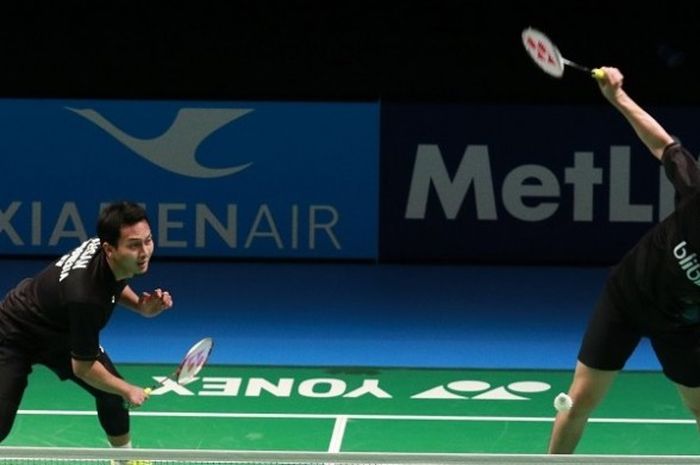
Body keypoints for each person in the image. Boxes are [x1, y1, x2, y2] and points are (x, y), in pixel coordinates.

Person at [548, 67, 700, 453]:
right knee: (579, 401)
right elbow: (662, 144)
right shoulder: (695, 191)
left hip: (681, 324)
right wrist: (617, 96)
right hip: (627, 299)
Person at [0, 201, 173, 453]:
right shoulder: (85, 297)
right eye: (134, 245)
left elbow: (112, 282)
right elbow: (82, 368)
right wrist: (128, 389)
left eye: (148, 241)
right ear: (109, 248)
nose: (144, 251)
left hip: (62, 326)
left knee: (111, 395)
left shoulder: (114, 257)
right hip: (16, 331)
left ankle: (125, 460)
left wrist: (140, 306)